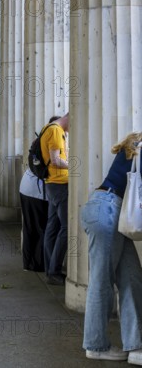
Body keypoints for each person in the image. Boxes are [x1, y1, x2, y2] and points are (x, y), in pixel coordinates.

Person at [81, 132, 142, 363]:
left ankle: (135, 347)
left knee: (132, 277)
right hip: (107, 210)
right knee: (102, 280)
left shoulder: (135, 144)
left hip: (107, 210)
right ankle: (96, 346)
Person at [20, 116, 60, 271]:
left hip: (28, 187)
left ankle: (30, 263)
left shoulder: (42, 139)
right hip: (36, 192)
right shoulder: (51, 141)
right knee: (40, 228)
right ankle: (37, 264)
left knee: (31, 228)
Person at [40, 112, 69, 285]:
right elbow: (56, 159)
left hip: (52, 183)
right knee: (66, 228)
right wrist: (74, 165)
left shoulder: (48, 128)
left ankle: (50, 268)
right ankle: (54, 271)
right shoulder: (56, 130)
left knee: (52, 226)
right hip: (59, 184)